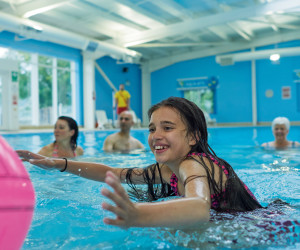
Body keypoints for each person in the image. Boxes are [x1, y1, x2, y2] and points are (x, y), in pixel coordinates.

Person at [17, 97, 262, 229]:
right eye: (152, 128)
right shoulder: (168, 170)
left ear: (193, 137)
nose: (156, 135)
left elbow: (199, 206)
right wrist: (58, 164)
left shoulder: (194, 163)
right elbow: (112, 172)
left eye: (168, 128)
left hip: (260, 227)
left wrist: (139, 214)